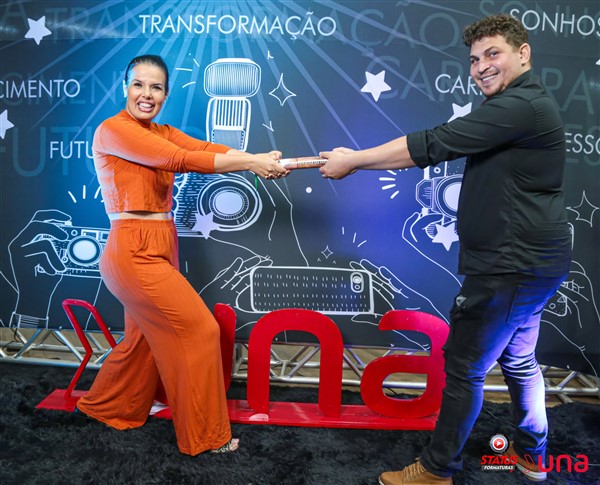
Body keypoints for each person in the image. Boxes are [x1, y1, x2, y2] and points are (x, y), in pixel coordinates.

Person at [320, 13, 571, 484]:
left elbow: (434, 144)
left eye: (492, 54)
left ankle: (437, 471)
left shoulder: (521, 106)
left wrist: (354, 161)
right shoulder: (521, 104)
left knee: (465, 366)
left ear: (523, 54)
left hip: (510, 265)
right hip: (529, 263)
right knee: (519, 360)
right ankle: (532, 454)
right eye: (474, 59)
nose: (480, 67)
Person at [75, 54, 289, 456]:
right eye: (138, 84)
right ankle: (207, 436)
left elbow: (202, 147)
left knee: (143, 339)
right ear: (125, 88)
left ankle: (107, 405)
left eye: (156, 87)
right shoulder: (114, 130)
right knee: (201, 332)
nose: (146, 94)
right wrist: (252, 163)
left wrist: (259, 160)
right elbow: (179, 159)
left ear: (166, 94)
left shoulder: (162, 131)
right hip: (133, 247)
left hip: (162, 239)